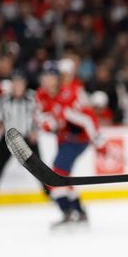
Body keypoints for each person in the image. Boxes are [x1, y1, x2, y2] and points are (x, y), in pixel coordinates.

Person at [37, 66, 105, 228]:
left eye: (51, 76)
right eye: (45, 76)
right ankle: (78, 212)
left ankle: (67, 212)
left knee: (56, 175)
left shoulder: (68, 95)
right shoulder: (41, 95)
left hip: (77, 141)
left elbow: (87, 118)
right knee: (62, 176)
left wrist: (98, 141)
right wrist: (48, 125)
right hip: (64, 141)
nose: (47, 79)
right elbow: (43, 117)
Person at [0, 71, 47, 207]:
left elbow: (40, 116)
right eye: (15, 83)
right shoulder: (4, 99)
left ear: (24, 84)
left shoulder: (32, 98)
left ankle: (50, 195)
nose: (17, 86)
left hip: (28, 139)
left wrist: (36, 132)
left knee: (39, 168)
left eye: (20, 83)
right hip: (9, 139)